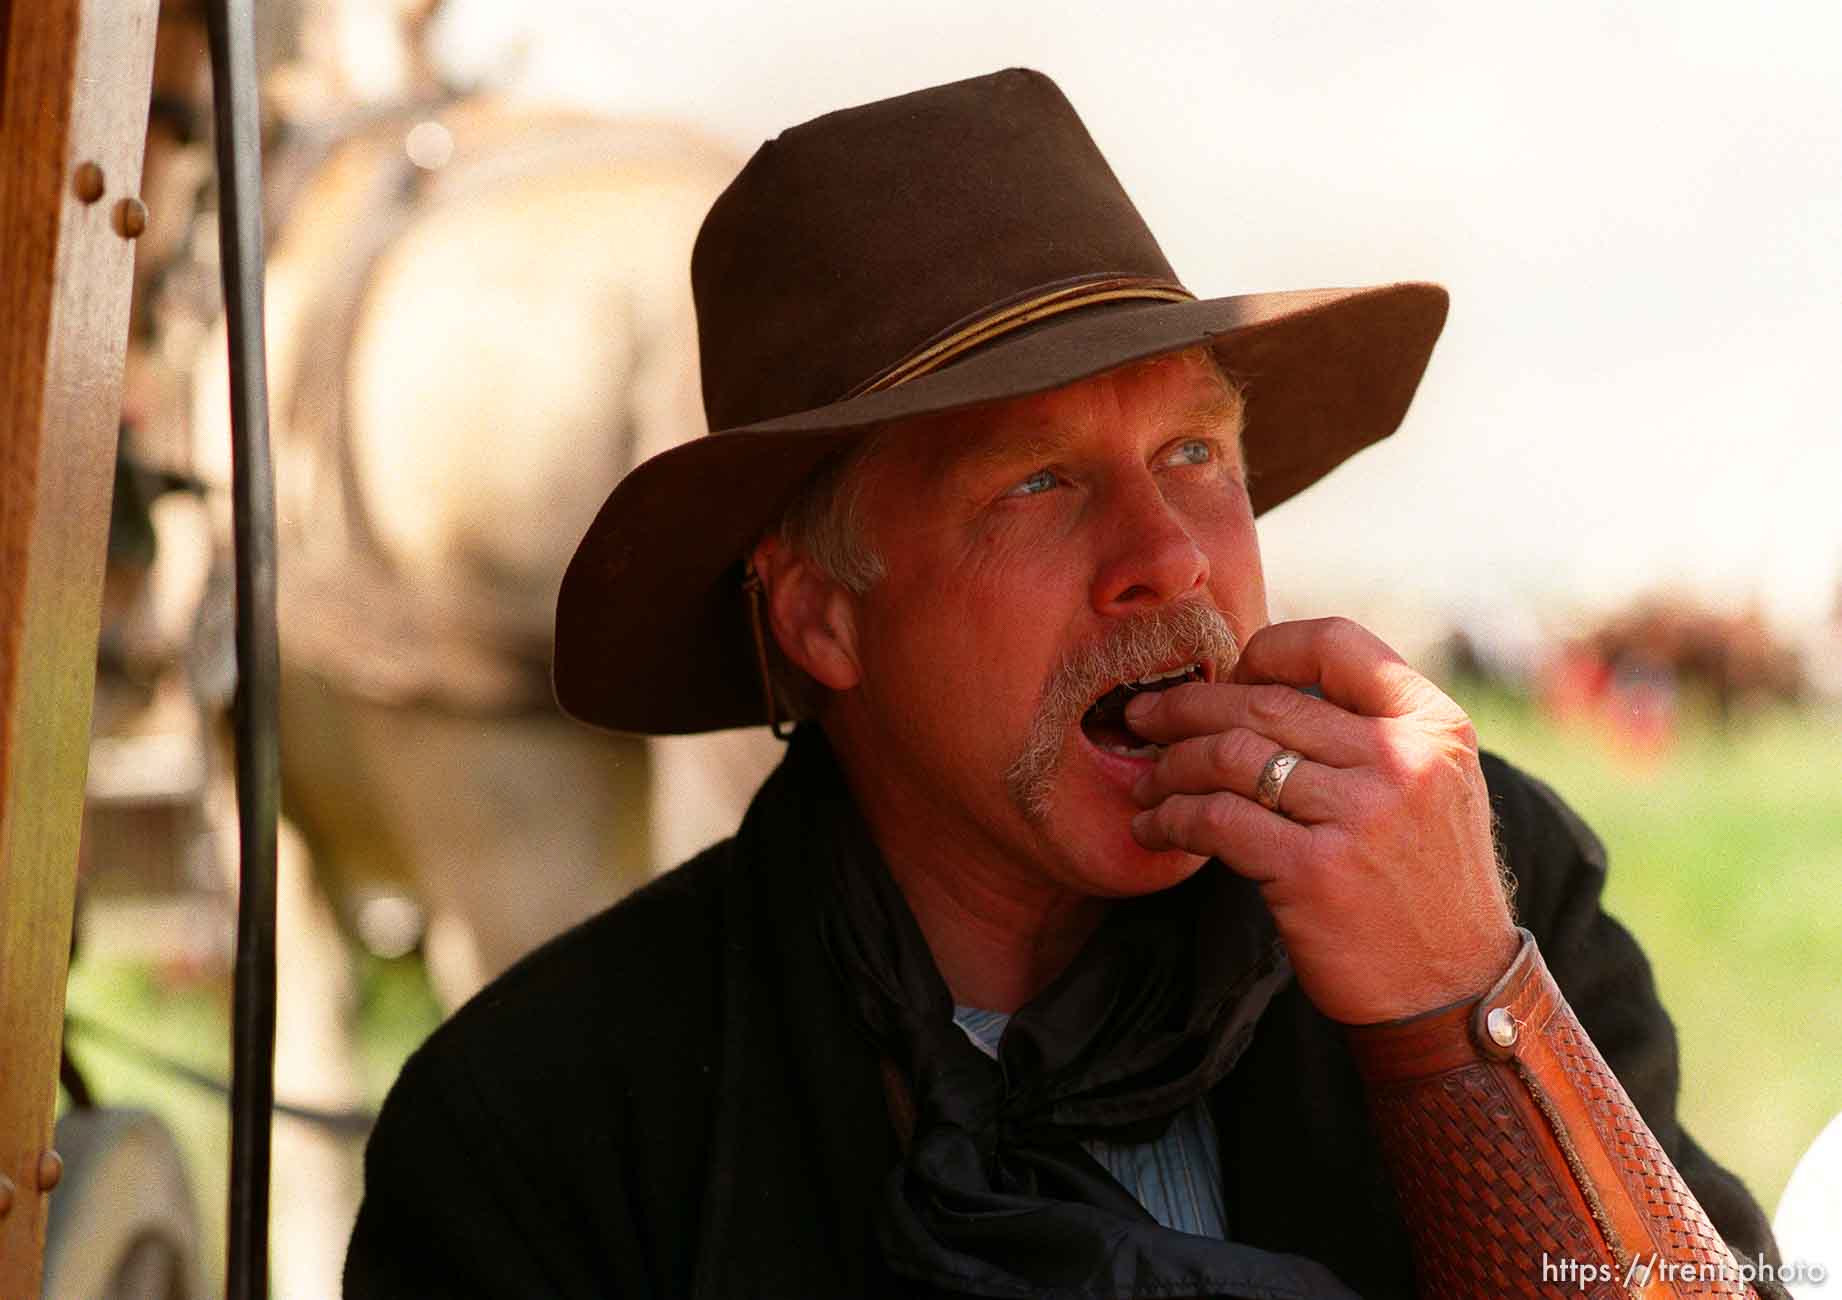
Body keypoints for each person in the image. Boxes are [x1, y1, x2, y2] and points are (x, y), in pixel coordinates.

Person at [345, 69, 1786, 1298]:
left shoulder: (1471, 869)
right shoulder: (547, 1124)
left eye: (1193, 456)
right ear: (822, 619)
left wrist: (1460, 1020)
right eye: (1034, 482)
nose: (1164, 560)